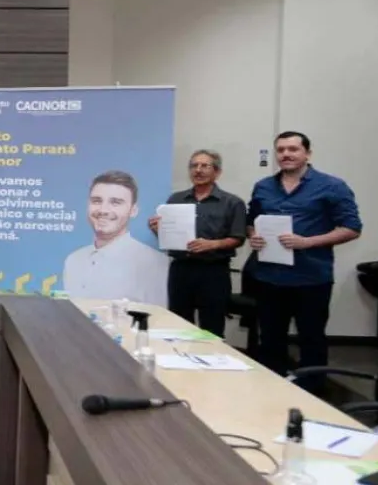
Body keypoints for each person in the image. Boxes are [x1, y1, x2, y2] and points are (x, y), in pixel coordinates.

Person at [245, 131, 361, 382]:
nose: (286, 154)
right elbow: (251, 221)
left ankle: (314, 391)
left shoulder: (332, 186)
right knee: (270, 339)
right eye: (280, 150)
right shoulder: (263, 186)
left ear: (307, 153)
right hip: (269, 277)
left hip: (310, 278)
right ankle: (272, 387)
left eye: (293, 149)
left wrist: (307, 242)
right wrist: (253, 236)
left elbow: (352, 228)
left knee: (311, 339)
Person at [148, 150, 247, 336]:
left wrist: (213, 244)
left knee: (211, 328)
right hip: (181, 270)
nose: (198, 170)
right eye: (194, 166)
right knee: (178, 325)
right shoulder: (175, 199)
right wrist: (158, 230)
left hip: (213, 272)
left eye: (204, 166)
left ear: (217, 172)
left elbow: (238, 238)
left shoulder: (232, 202)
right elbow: (168, 238)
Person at [63, 170, 169, 306]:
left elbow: (159, 316)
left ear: (133, 210)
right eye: (96, 201)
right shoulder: (73, 260)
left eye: (115, 202)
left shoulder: (155, 263)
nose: (103, 210)